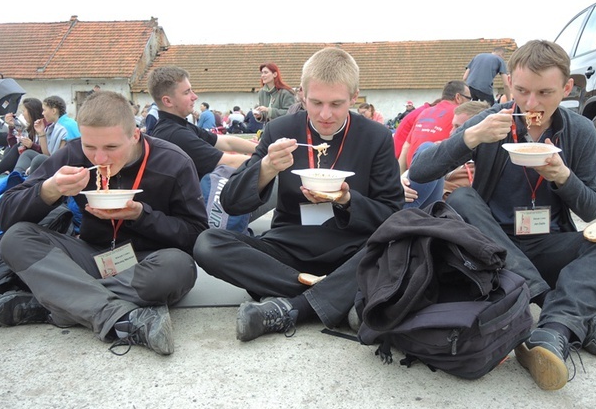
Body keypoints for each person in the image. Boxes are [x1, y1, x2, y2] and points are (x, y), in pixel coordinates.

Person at [410, 40, 596, 390]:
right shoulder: (491, 121)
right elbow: (420, 170)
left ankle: (551, 331)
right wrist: (469, 137)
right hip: (490, 251)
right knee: (464, 199)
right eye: (523, 91)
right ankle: (564, 314)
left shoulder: (582, 132)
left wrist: (563, 176)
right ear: (509, 82)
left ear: (566, 88)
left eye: (545, 92)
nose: (532, 104)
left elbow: (591, 209)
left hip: (547, 244)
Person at [193, 47, 403, 342]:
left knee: (401, 246)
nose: (325, 114)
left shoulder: (376, 137)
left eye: (336, 104)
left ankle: (293, 307)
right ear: (302, 94)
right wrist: (265, 168)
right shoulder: (281, 129)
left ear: (354, 97)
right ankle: (342, 296)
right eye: (316, 102)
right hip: (287, 253)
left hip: (352, 251)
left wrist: (346, 200)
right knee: (207, 243)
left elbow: (393, 214)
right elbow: (230, 203)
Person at [0, 90, 208, 356]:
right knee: (16, 238)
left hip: (146, 263)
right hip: (91, 257)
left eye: (111, 147)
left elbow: (196, 235)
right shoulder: (72, 154)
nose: (99, 159)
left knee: (178, 267)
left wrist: (141, 215)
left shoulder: (173, 162)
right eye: (90, 147)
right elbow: (5, 216)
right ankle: (116, 316)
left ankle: (56, 306)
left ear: (135, 135)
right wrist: (49, 189)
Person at [148, 66, 257, 178]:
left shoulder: (179, 125)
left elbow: (226, 142)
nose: (195, 96)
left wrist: (262, 148)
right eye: (187, 92)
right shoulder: (175, 134)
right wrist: (269, 160)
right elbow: (229, 162)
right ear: (167, 101)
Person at [401, 98, 488, 209]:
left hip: (449, 211)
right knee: (427, 149)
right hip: (428, 204)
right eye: (452, 125)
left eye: (458, 127)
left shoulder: (481, 162)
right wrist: (402, 182)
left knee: (427, 150)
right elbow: (410, 172)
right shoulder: (444, 148)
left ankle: (397, 218)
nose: (451, 132)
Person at [398, 80, 472, 173]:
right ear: (458, 97)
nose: (470, 103)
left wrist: (401, 178)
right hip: (435, 175)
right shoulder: (460, 114)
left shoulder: (425, 112)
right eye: (469, 99)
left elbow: (406, 146)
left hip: (411, 172)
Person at [0, 97, 45, 186]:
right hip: (28, 157)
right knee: (9, 150)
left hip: (37, 160)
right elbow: (12, 145)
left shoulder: (43, 127)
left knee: (19, 147)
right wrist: (11, 127)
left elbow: (46, 151)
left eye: (24, 111)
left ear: (31, 112)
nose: (22, 114)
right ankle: (3, 173)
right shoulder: (31, 127)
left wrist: (31, 145)